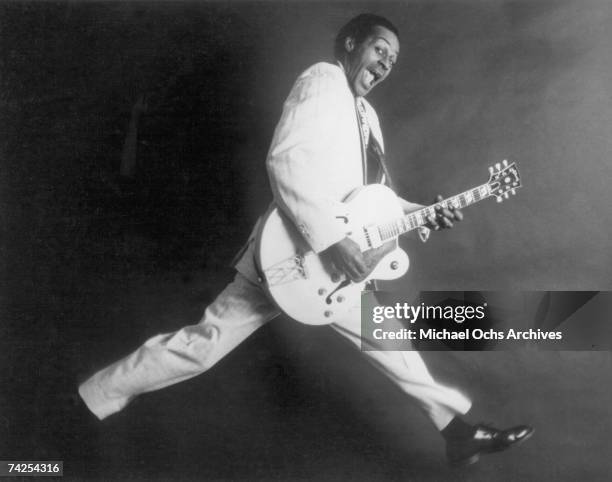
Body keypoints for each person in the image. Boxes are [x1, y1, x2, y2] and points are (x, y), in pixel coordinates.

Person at [79, 13, 533, 466]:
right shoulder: (322, 80)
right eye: (380, 49)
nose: (386, 64)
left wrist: (426, 214)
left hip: (333, 271)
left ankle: (457, 432)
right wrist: (333, 240)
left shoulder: (368, 118)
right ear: (352, 44)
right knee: (204, 345)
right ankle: (91, 399)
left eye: (393, 59)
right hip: (292, 251)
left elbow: (374, 199)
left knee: (389, 339)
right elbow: (285, 161)